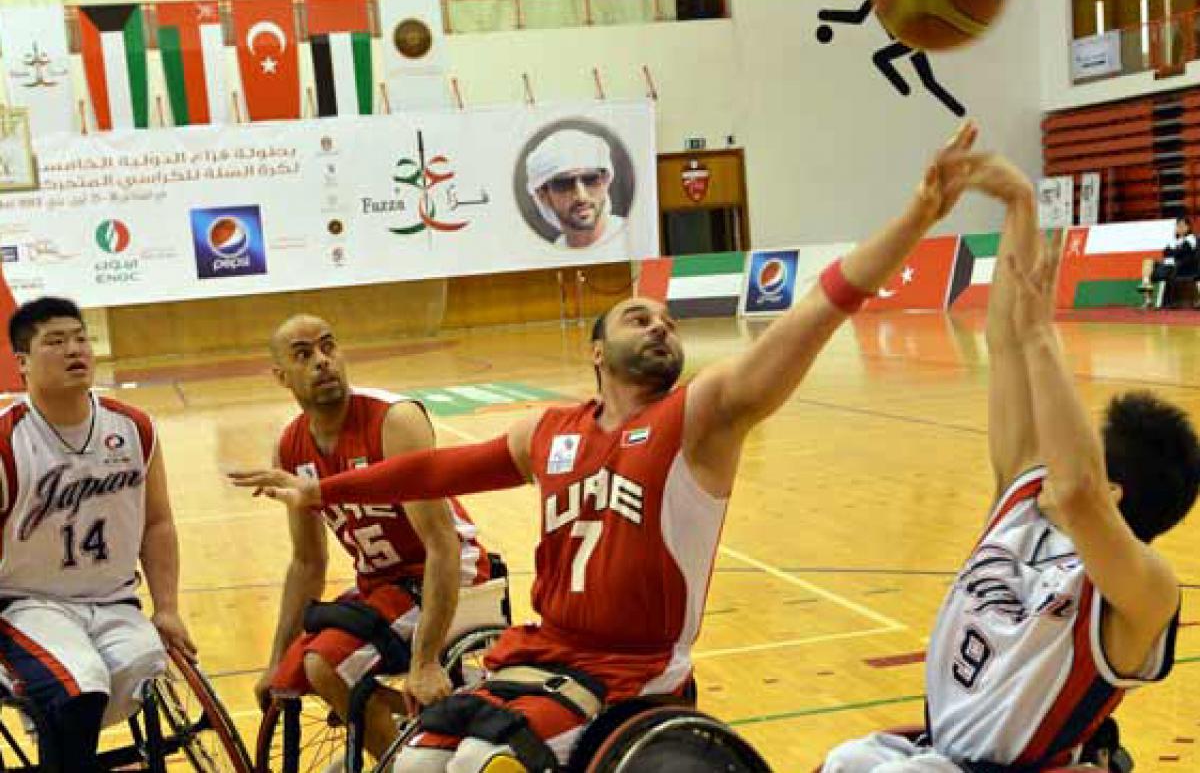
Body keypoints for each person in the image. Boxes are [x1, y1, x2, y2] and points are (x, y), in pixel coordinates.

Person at [231, 122, 982, 772]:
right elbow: (435, 469)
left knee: (476, 765)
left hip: (633, 670)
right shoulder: (549, 431)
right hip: (543, 648)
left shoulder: (702, 418)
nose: (659, 326)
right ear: (597, 353)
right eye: (637, 317)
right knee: (421, 756)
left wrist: (919, 213)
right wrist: (322, 490)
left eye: (666, 320)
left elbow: (820, 309)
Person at [823, 155, 1200, 770]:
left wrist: (1042, 336)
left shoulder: (1145, 592)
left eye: (1076, 446)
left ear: (1115, 491)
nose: (1055, 447)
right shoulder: (1024, 498)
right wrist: (1021, 207)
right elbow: (1002, 344)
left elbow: (1078, 492)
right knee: (847, 760)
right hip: (933, 754)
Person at [257, 315, 492, 763]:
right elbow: (307, 563)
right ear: (281, 376)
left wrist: (423, 662)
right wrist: (273, 659)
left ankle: (409, 763)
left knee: (324, 662)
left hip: (447, 570)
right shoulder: (290, 448)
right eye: (304, 355)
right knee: (292, 670)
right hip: (382, 586)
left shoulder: (393, 420)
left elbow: (441, 543)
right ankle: (405, 734)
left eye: (329, 347)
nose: (323, 362)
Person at [0, 296, 194, 771]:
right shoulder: (7, 439)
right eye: (56, 341)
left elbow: (158, 522)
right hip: (28, 605)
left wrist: (166, 607)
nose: (75, 349)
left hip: (114, 601)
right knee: (79, 688)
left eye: (81, 337)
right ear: (22, 363)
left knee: (139, 672)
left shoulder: (133, 427)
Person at [525, 129, 626, 251]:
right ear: (543, 196)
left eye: (590, 179)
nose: (581, 196)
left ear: (605, 181)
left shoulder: (632, 238)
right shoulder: (553, 253)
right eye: (564, 184)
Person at [1141, 216, 1198, 309]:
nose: (1179, 228)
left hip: (1178, 267)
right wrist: (1174, 251)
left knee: (1154, 269)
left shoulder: (1191, 239)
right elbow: (1165, 252)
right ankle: (1147, 296)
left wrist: (1173, 252)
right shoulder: (1174, 240)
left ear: (1188, 227)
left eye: (1182, 226)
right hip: (1167, 265)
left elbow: (1180, 252)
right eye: (1177, 226)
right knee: (1147, 262)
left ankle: (1147, 289)